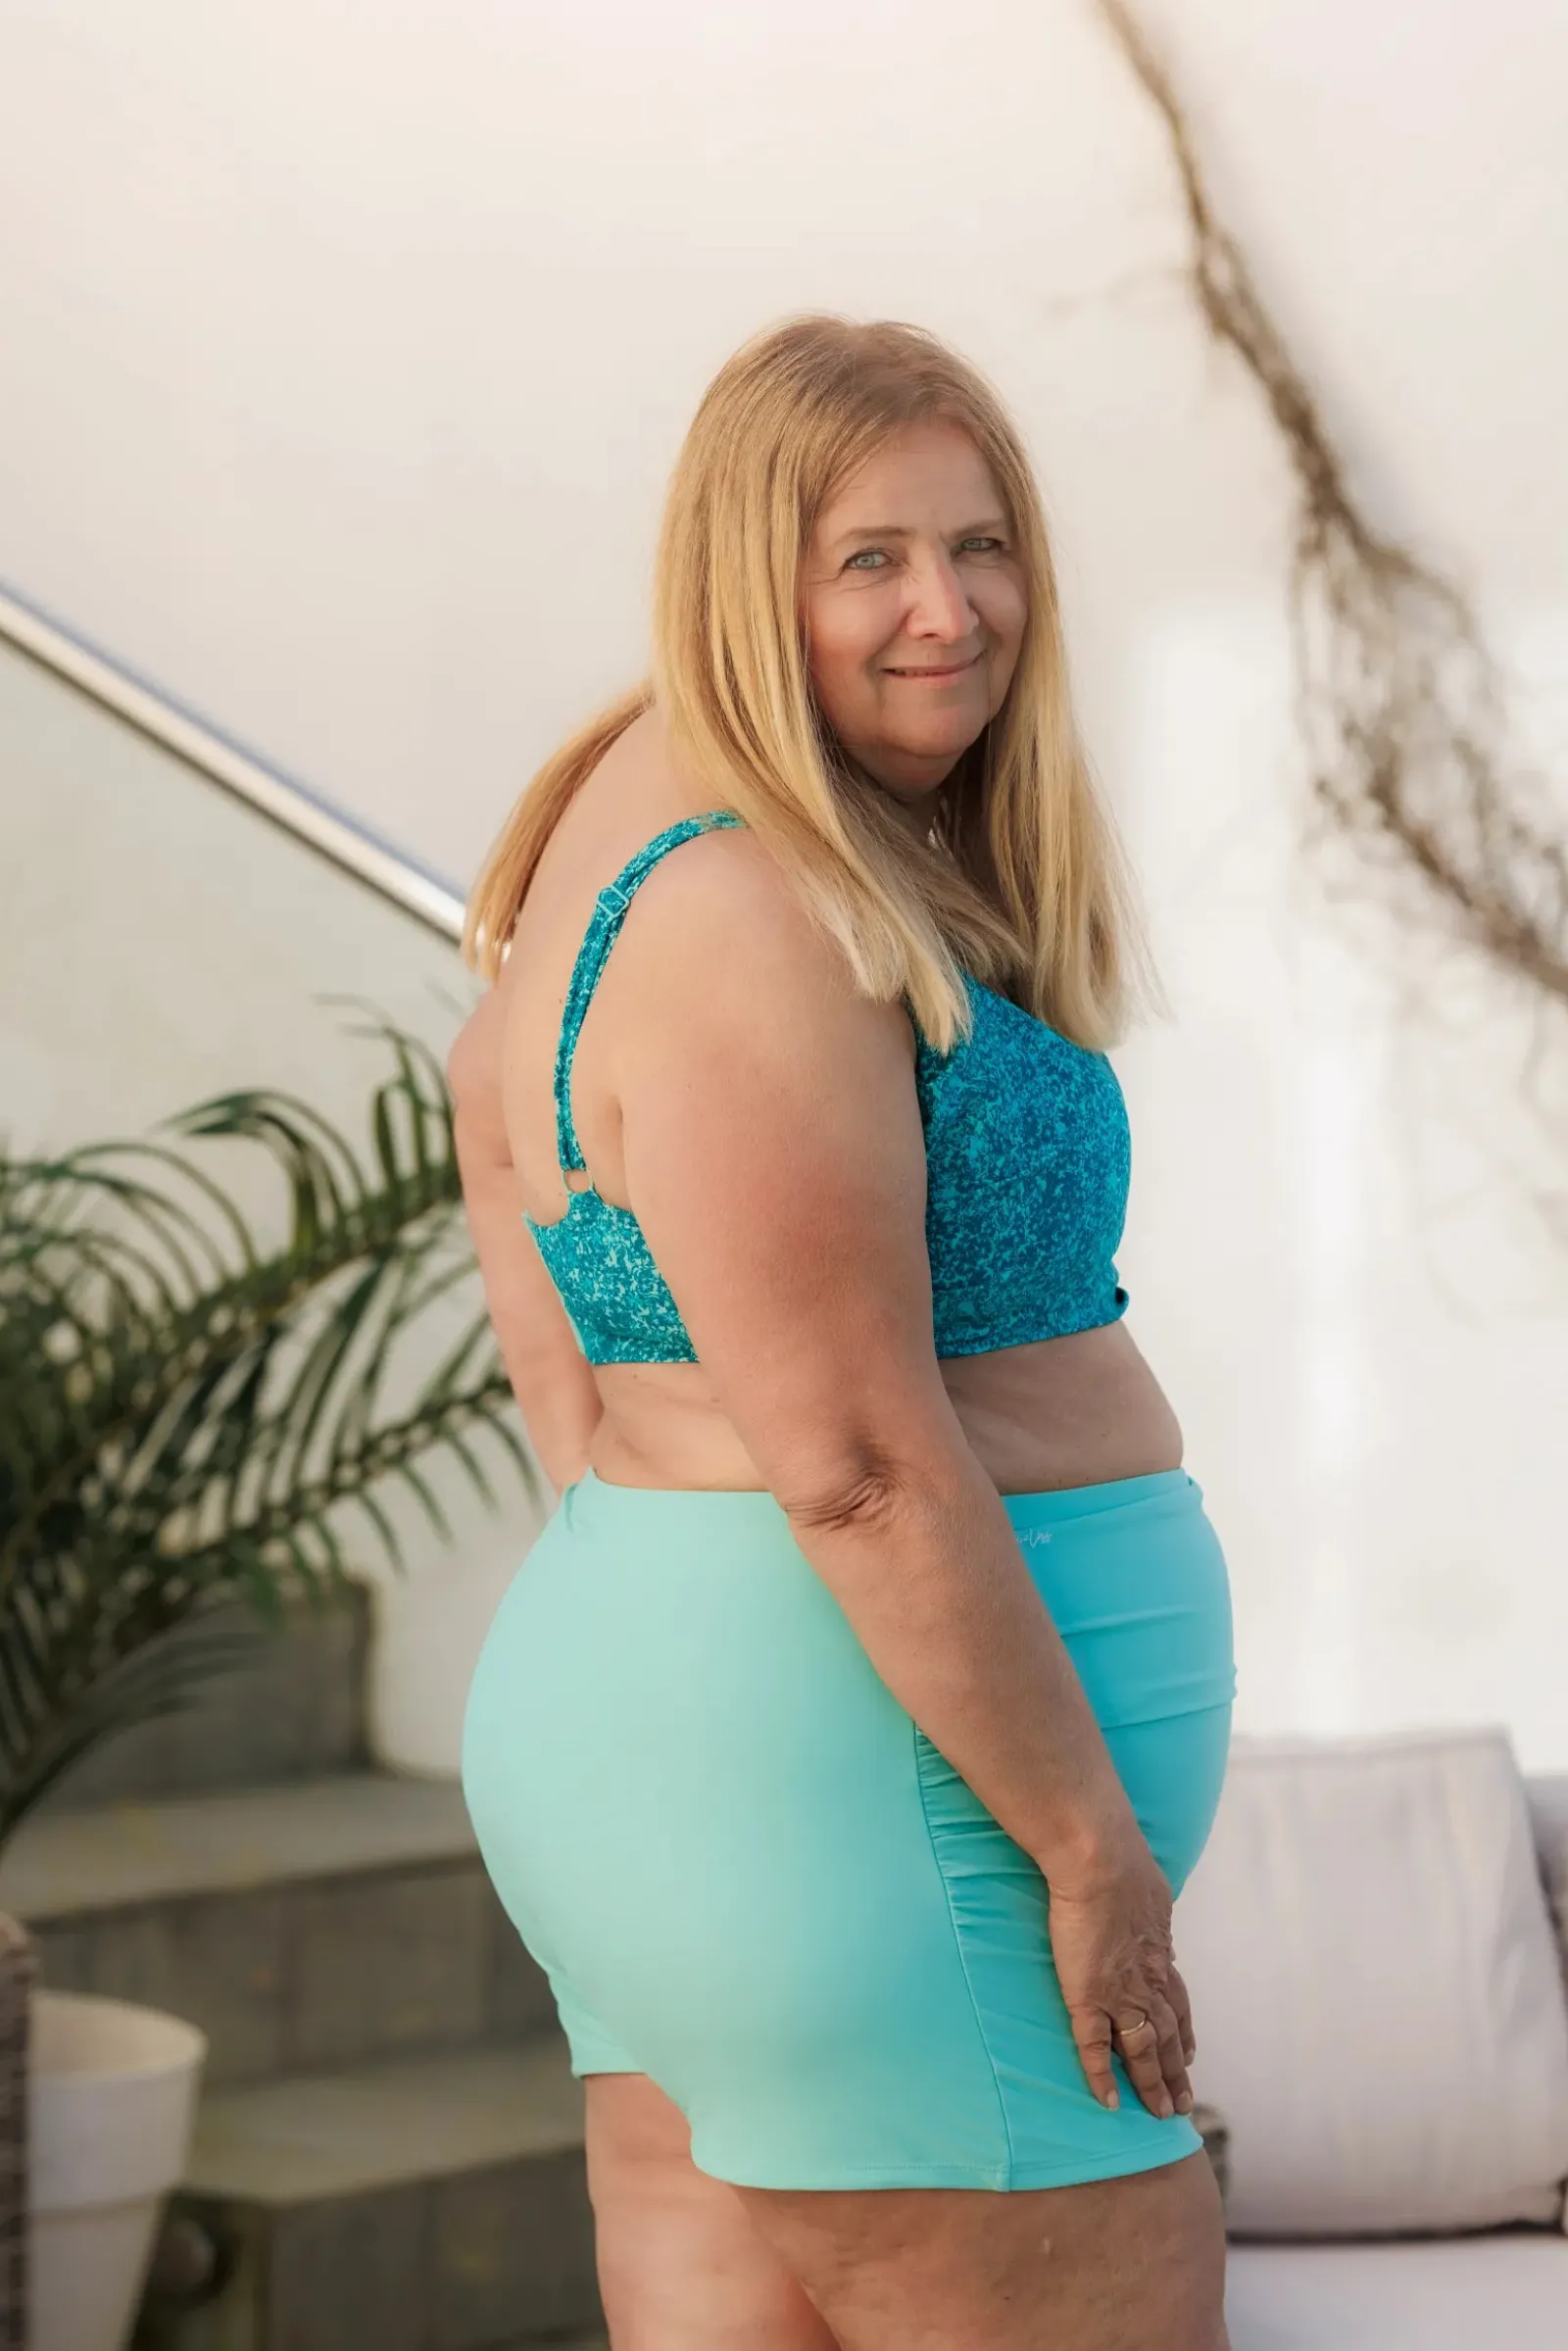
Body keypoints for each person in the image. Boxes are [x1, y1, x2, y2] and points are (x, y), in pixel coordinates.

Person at [449, 314, 1236, 2351]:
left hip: (743, 1753)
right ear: (745, 577)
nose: (946, 613)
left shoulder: (621, 807)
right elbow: (863, 1465)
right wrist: (1085, 1848)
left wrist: (641, 1527)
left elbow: (493, 1120)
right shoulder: (760, 903)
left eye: (979, 546)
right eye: (868, 559)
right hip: (883, 1804)